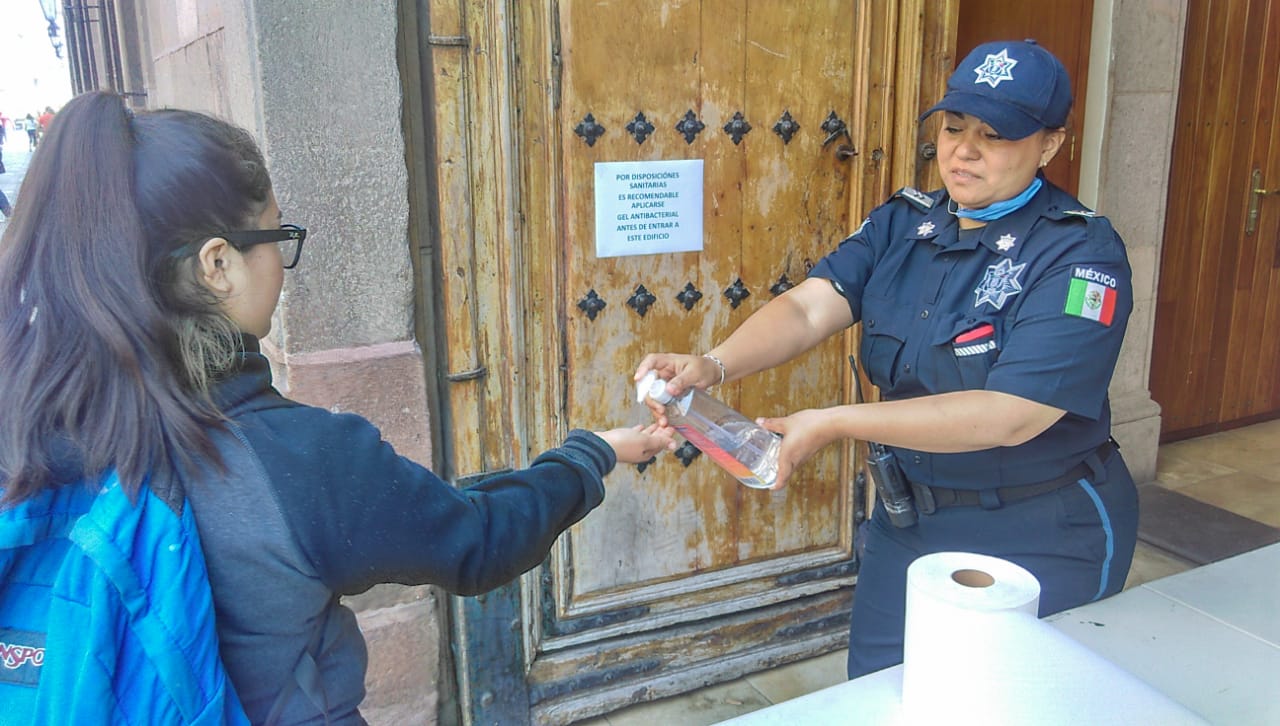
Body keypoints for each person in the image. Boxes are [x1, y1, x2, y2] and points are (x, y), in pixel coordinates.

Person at [0, 91, 674, 722]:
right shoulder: (292, 461)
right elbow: (476, 538)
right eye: (275, 236)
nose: (281, 265)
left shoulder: (27, 427)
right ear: (217, 265)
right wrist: (593, 454)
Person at [635, 39, 1137, 680]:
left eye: (997, 135)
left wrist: (836, 421)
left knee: (1013, 700)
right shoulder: (907, 223)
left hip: (1039, 525)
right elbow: (812, 308)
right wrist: (714, 363)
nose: (964, 150)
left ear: (1049, 145)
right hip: (911, 521)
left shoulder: (1079, 254)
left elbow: (1010, 414)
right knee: (880, 691)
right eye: (954, 127)